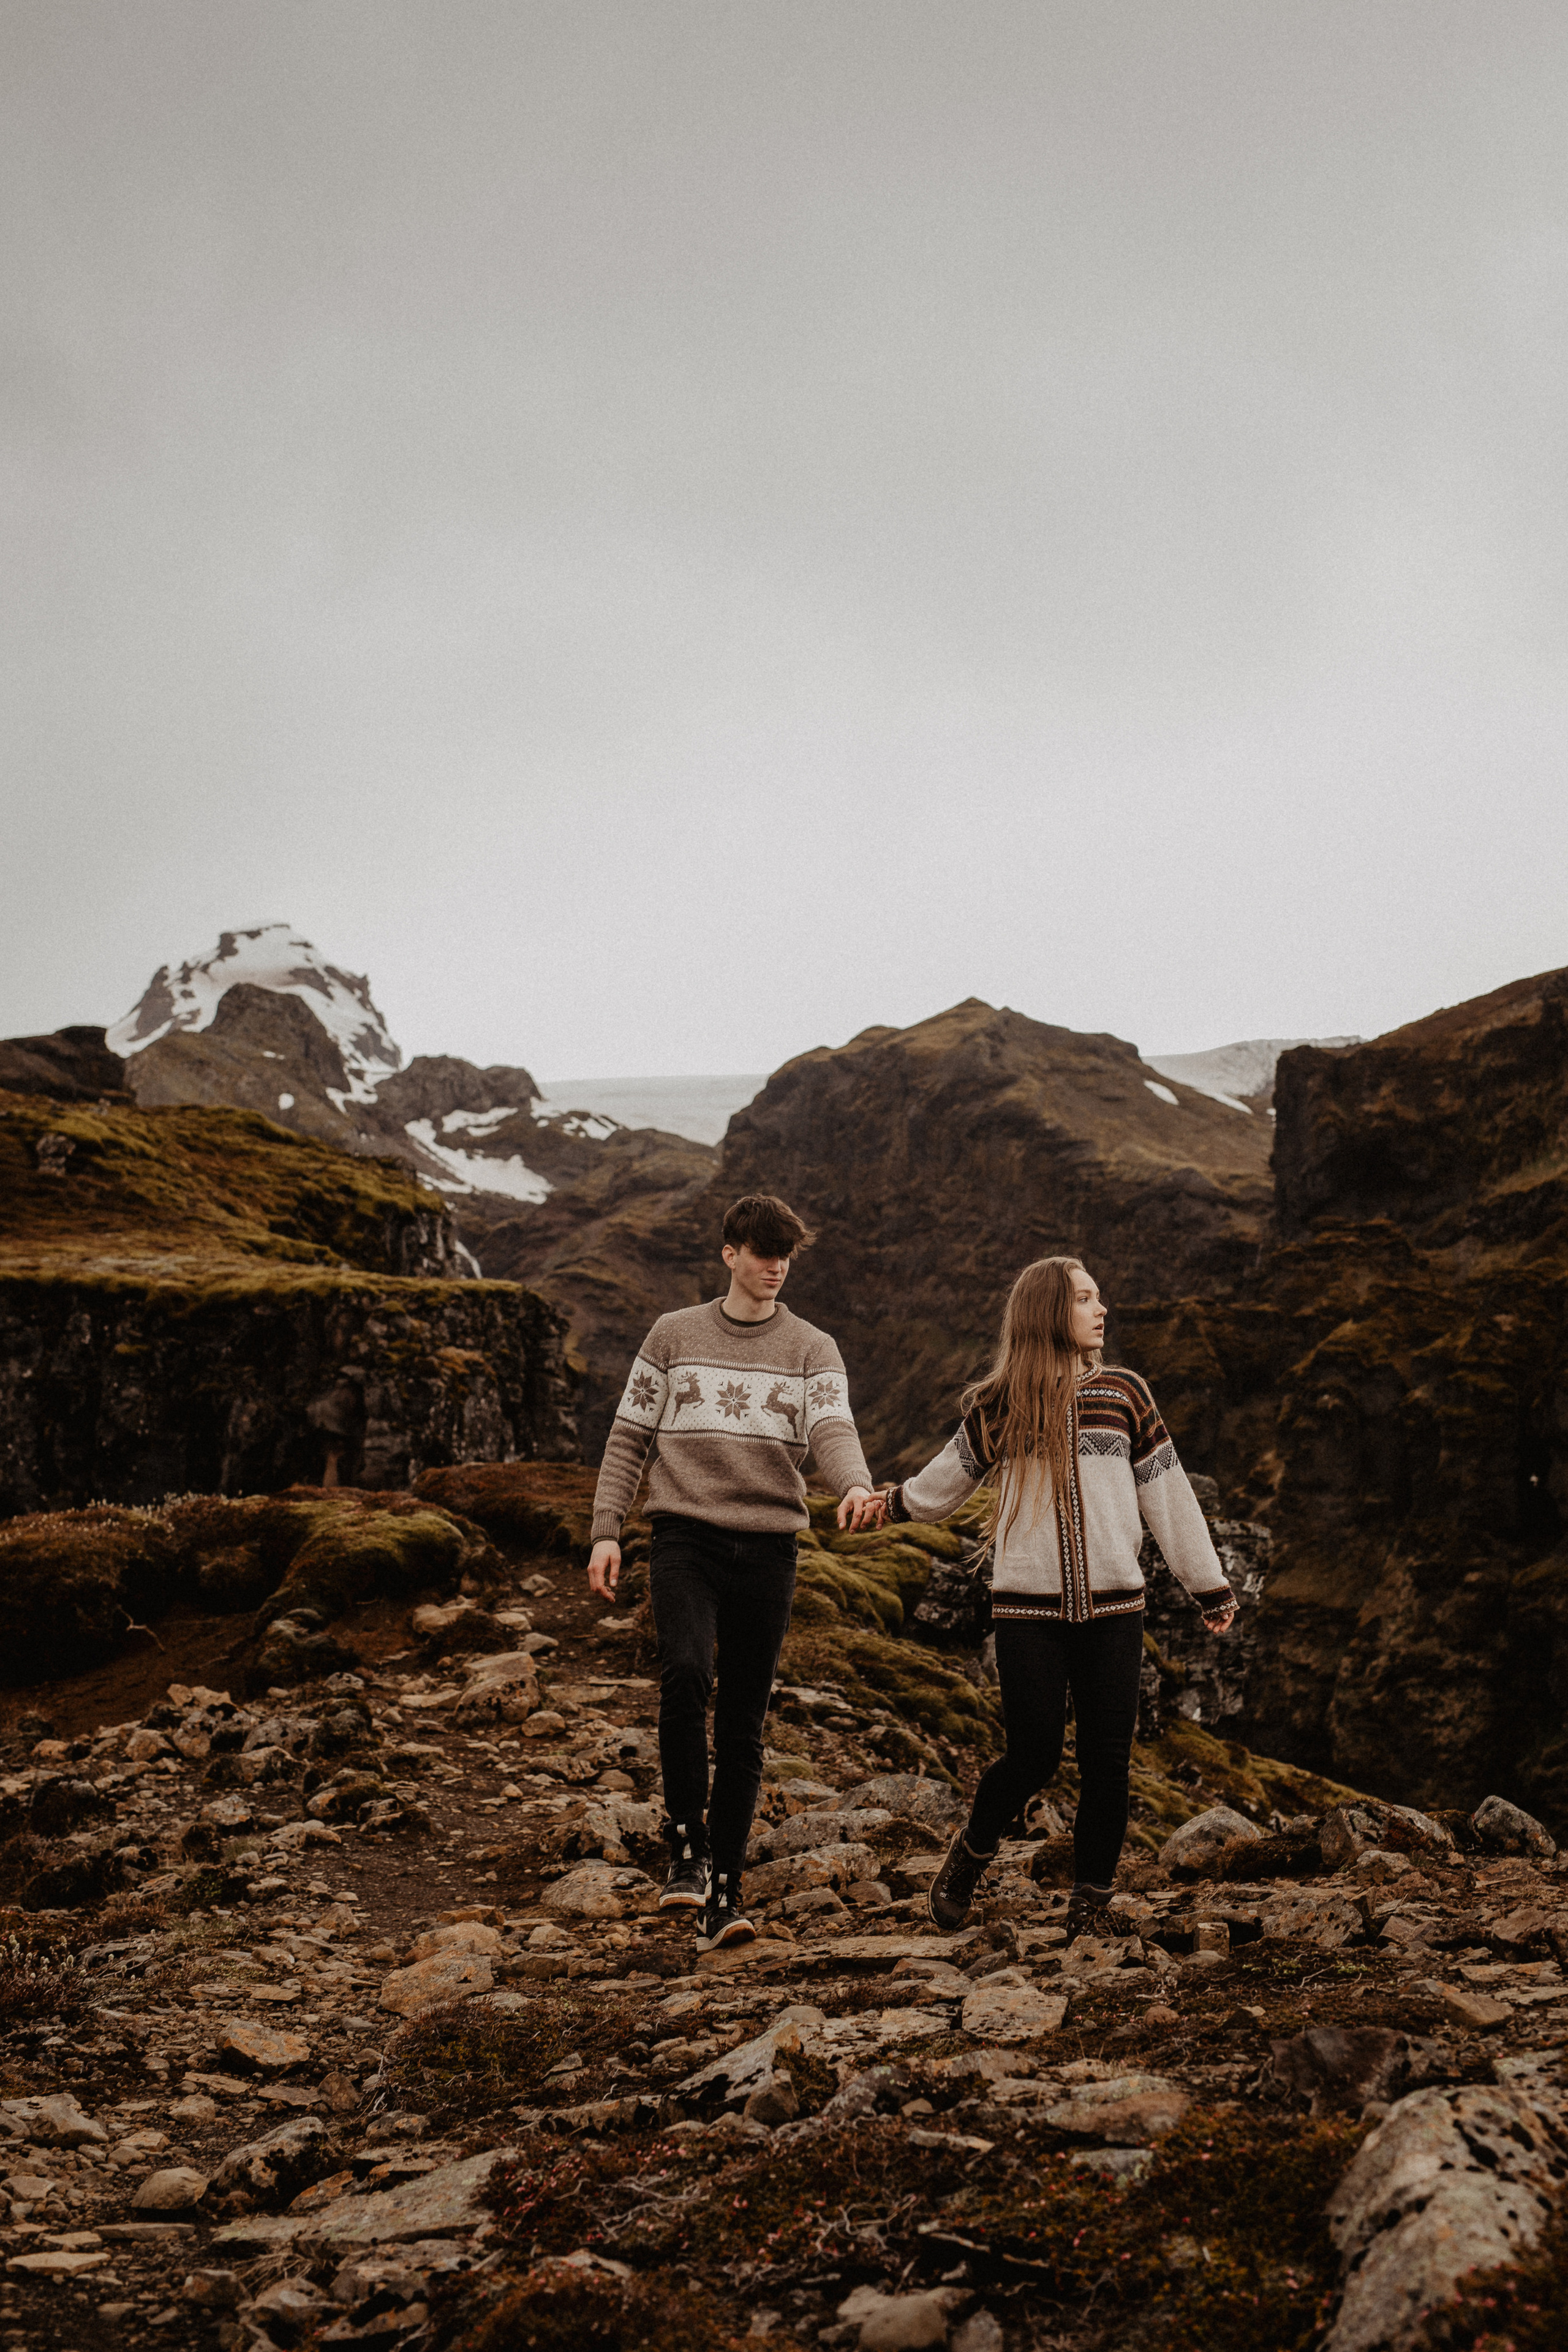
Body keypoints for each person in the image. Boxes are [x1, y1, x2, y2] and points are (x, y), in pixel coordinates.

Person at [876, 1256, 1237, 1935]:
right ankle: (971, 1853)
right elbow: (939, 1486)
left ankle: (1089, 1905)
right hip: (1027, 1613)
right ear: (1049, 1312)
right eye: (1085, 1299)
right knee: (1033, 1754)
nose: (1101, 1311)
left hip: (1115, 1614)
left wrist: (1208, 1585)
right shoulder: (998, 1407)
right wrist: (887, 1504)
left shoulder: (1127, 1394)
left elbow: (1168, 1496)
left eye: (1099, 1298)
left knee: (1108, 1760)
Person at [586, 1193, 881, 1951]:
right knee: (686, 1674)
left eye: (785, 1253)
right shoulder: (673, 1334)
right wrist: (605, 1531)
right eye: (760, 1251)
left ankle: (726, 1890)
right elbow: (628, 1440)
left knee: (745, 1719)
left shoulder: (814, 1347)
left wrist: (853, 1482)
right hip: (685, 1536)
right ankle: (684, 1850)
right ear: (729, 1254)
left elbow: (831, 1428)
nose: (774, 1266)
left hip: (770, 1548)